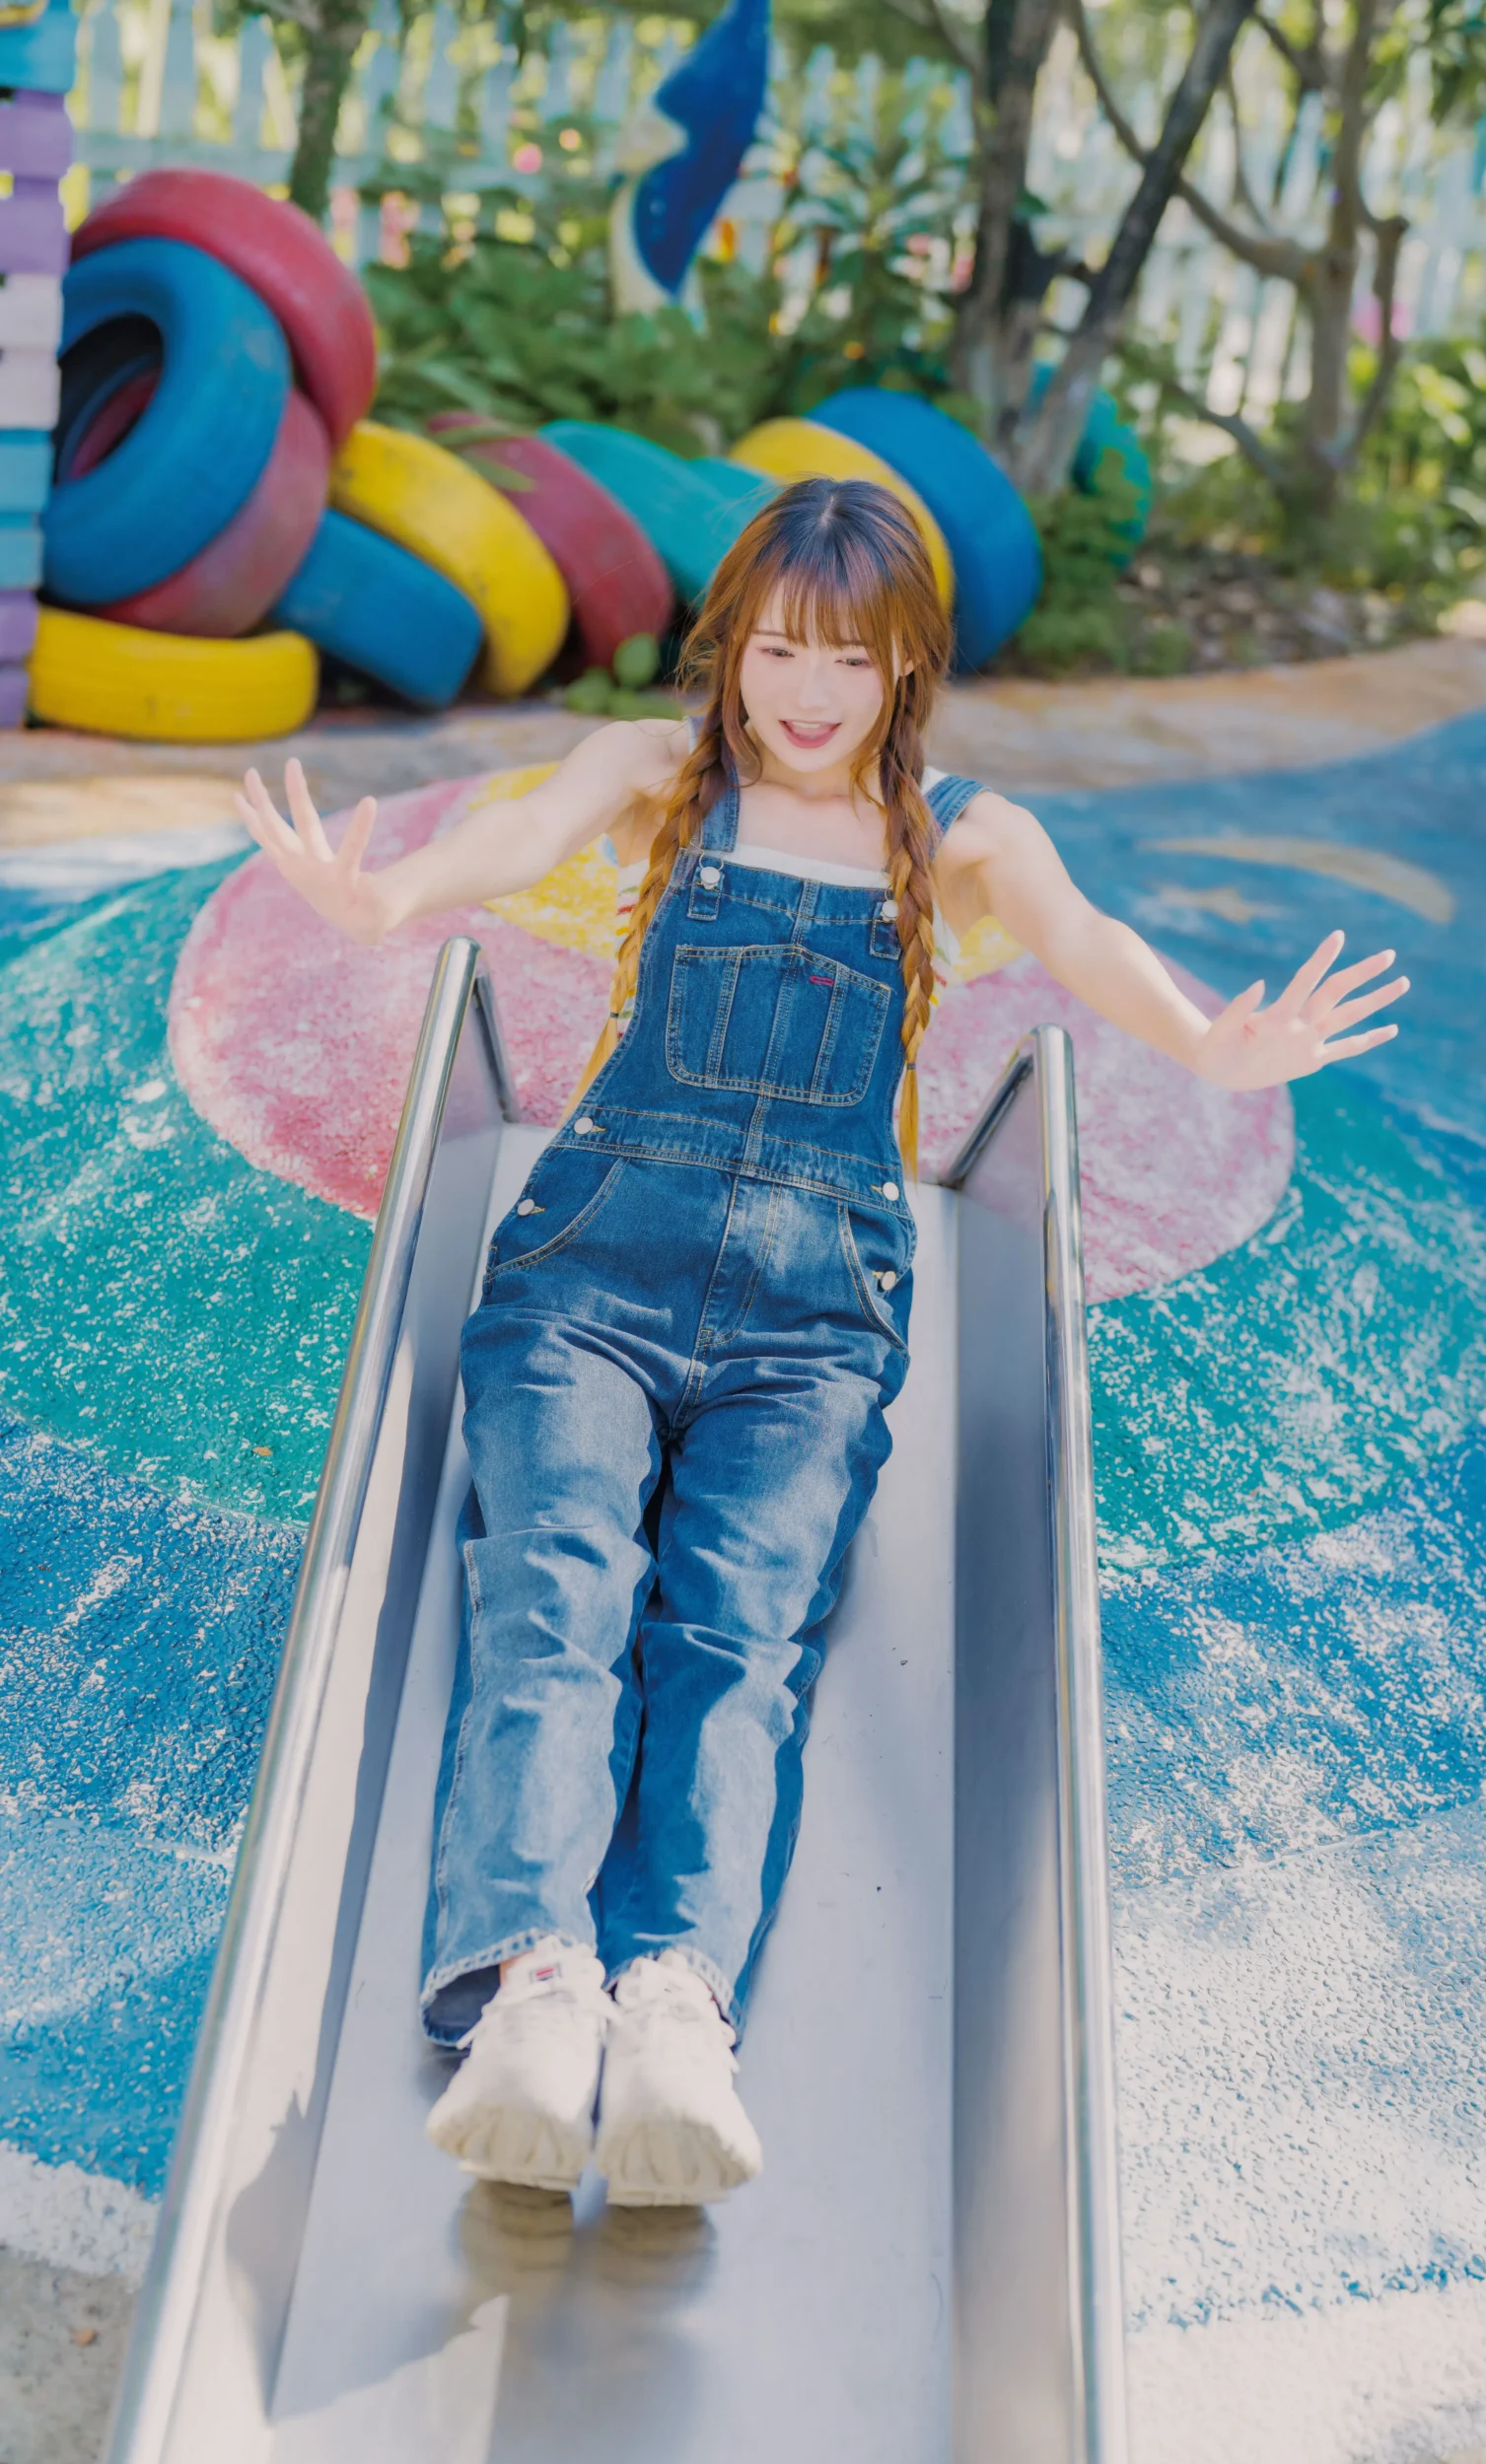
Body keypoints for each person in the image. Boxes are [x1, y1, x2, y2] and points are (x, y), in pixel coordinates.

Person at [236, 475, 1407, 2213]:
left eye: (848, 659)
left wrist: (1205, 1044)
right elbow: (511, 847)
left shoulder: (964, 836)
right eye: (777, 648)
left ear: (906, 666)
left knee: (736, 1636)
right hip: (590, 1273)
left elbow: (1089, 947)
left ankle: (675, 2002)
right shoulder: (656, 775)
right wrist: (389, 897)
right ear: (728, 644)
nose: (805, 691)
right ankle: (530, 1984)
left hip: (810, 1326)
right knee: (553, 1585)